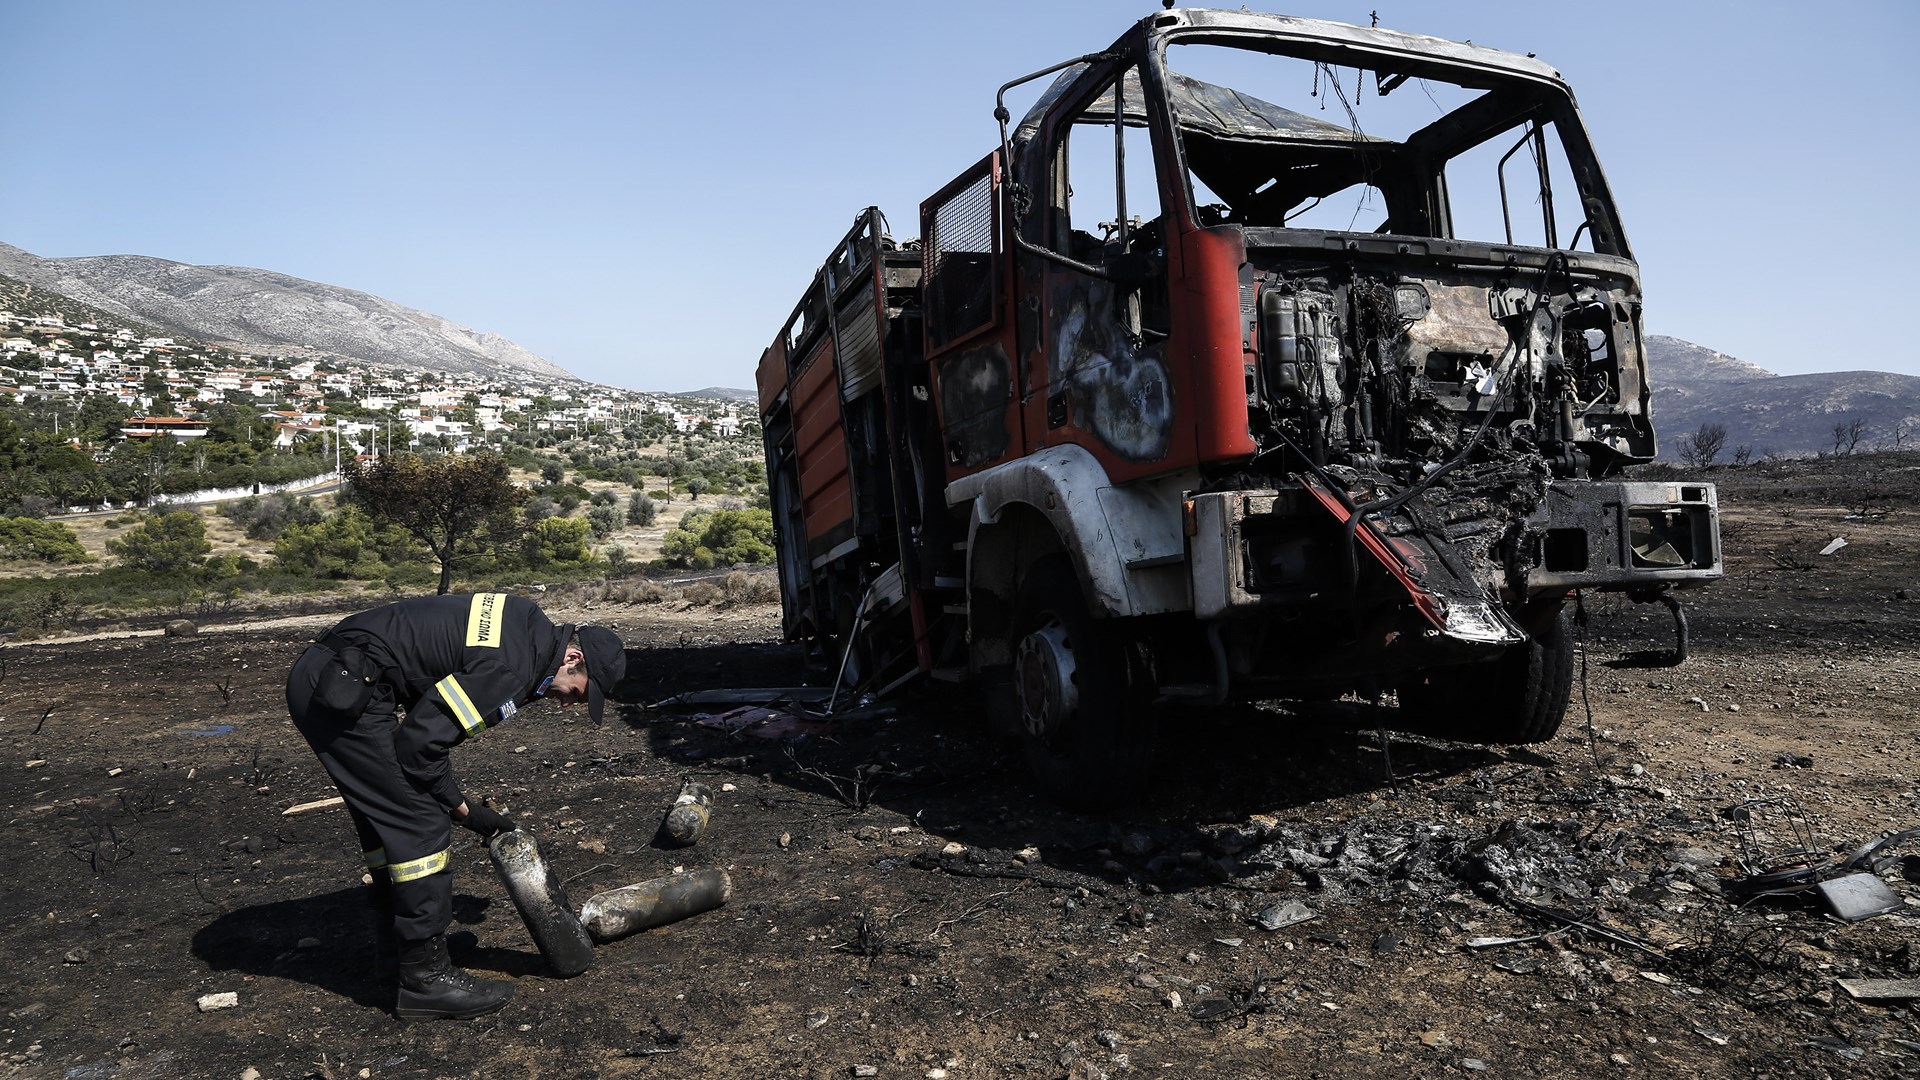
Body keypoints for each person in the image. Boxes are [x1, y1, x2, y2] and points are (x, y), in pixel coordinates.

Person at [285, 592, 626, 1021]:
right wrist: (464, 810)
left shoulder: (525, 622)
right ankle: (425, 980)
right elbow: (418, 745)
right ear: (573, 658)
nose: (569, 703)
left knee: (386, 823)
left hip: (336, 672)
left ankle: (399, 958)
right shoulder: (512, 670)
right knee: (419, 825)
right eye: (580, 692)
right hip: (343, 687)